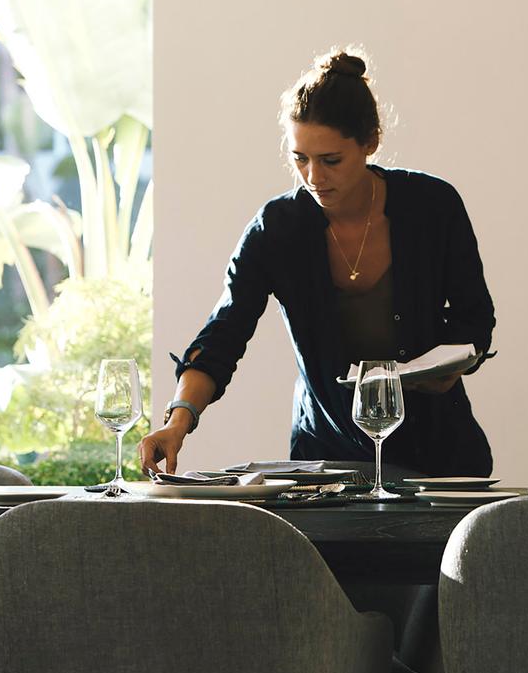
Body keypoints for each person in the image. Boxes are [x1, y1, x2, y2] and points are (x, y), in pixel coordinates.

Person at [139, 47, 495, 478]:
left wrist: (447, 367)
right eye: (299, 159)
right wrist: (178, 422)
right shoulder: (277, 228)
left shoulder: (434, 206)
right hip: (327, 460)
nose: (313, 177)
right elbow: (223, 334)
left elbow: (475, 316)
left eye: (331, 161)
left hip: (441, 455)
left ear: (370, 143)